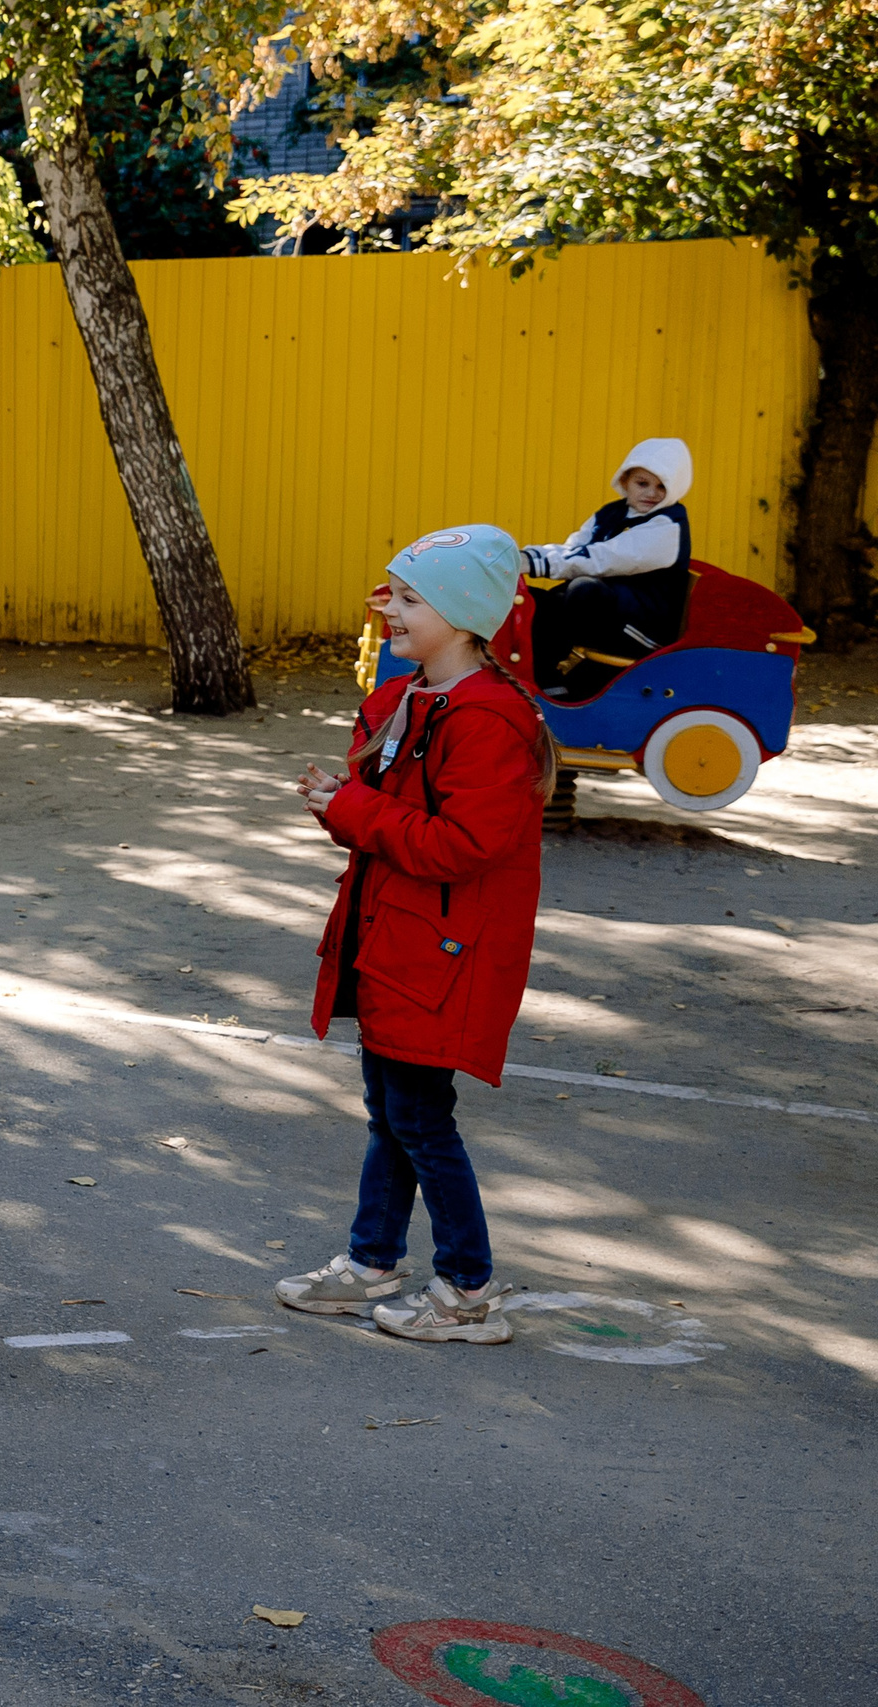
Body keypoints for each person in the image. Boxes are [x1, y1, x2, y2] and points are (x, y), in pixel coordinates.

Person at [285, 526, 555, 1345]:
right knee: (392, 1111)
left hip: (444, 955)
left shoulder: (488, 720)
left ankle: (467, 1288)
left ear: (465, 614)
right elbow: (395, 823)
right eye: (392, 593)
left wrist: (355, 808)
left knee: (419, 1117)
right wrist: (344, 803)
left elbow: (459, 845)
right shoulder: (418, 699)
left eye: (409, 598)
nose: (388, 610)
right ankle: (373, 1260)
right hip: (399, 943)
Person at [522, 437, 695, 696]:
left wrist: (537, 563)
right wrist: (527, 557)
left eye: (662, 487)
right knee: (534, 600)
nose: (651, 493)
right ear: (624, 481)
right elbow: (574, 548)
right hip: (614, 614)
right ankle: (540, 675)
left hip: (645, 628)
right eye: (642, 483)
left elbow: (603, 558)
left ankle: (549, 683)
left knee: (584, 591)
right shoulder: (611, 513)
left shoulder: (668, 526)